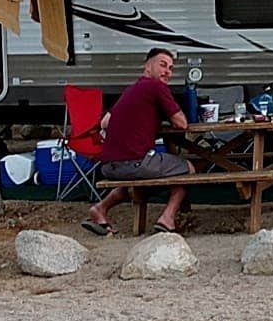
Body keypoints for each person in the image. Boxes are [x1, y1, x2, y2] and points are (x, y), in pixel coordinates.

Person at [83, 47, 195, 235]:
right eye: (162, 65)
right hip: (136, 162)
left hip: (109, 166)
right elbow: (181, 123)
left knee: (139, 179)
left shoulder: (131, 90)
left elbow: (105, 122)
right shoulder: (156, 86)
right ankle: (167, 218)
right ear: (147, 66)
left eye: (171, 68)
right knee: (188, 168)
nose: (167, 71)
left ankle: (100, 208)